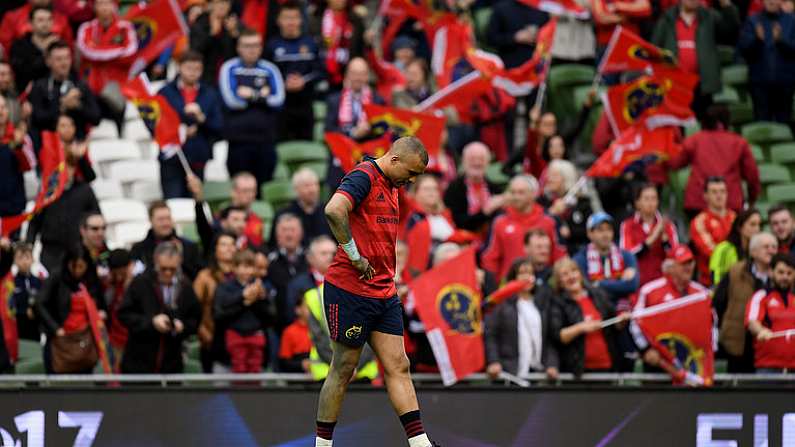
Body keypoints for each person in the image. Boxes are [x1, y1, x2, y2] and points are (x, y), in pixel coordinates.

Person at [316, 136, 438, 447]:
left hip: (383, 290)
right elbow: (334, 210)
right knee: (343, 369)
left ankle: (420, 443)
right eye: (410, 173)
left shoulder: (394, 185)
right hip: (350, 289)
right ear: (394, 160)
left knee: (399, 364)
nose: (411, 181)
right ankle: (322, 445)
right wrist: (354, 255)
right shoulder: (363, 176)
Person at [118, 242, 200, 374]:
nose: (168, 273)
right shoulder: (141, 283)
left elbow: (195, 318)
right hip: (139, 362)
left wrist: (182, 326)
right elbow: (124, 314)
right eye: (163, 268)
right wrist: (151, 322)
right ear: (156, 262)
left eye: (173, 269)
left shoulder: (185, 286)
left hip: (172, 363)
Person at [219, 28, 285, 189]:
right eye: (247, 46)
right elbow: (232, 101)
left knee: (264, 188)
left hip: (266, 140)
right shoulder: (229, 68)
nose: (251, 50)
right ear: (238, 48)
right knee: (241, 188)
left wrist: (251, 95)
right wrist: (262, 97)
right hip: (239, 141)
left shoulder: (270, 69)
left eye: (255, 45)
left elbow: (278, 100)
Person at [652, 0, 741, 117]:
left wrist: (726, 5)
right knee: (677, 125)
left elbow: (732, 31)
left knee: (702, 123)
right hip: (674, 85)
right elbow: (653, 49)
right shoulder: (667, 18)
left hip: (702, 85)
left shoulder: (710, 16)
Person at [669, 104, 760, 216]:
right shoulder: (739, 142)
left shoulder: (694, 140)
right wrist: (752, 198)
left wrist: (671, 137)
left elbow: (674, 163)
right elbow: (752, 175)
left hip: (698, 202)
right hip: (731, 202)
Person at [630, 245, 711, 371]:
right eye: (683, 263)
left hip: (692, 360)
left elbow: (712, 323)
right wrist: (645, 349)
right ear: (670, 267)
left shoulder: (702, 294)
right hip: (659, 361)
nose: (688, 267)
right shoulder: (650, 291)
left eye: (690, 262)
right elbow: (636, 322)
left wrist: (710, 348)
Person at [26, 142, 100, 273]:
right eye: (62, 168)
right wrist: (29, 246)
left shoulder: (85, 190)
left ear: (74, 168)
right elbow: (34, 222)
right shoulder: (47, 191)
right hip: (50, 252)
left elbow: (96, 217)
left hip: (78, 252)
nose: (66, 172)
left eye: (69, 167)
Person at [158, 50, 224, 198]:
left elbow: (219, 126)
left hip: (198, 156)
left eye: (197, 69)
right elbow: (155, 123)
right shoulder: (165, 92)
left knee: (196, 202)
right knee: (173, 201)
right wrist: (181, 131)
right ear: (179, 67)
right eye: (189, 68)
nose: (193, 73)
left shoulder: (209, 93)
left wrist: (202, 118)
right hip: (172, 156)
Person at [549, 257, 628, 376]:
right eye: (565, 274)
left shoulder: (598, 295)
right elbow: (558, 336)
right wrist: (581, 327)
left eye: (573, 271)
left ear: (580, 274)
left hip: (608, 367)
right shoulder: (557, 303)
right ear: (559, 282)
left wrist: (621, 320)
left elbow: (614, 325)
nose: (571, 277)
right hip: (578, 372)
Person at [713, 232, 778, 372]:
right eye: (766, 247)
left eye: (774, 247)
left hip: (768, 345)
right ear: (753, 251)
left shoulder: (782, 276)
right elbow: (718, 302)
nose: (771, 250)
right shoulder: (736, 271)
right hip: (738, 343)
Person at [36, 245, 106, 374]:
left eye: (81, 266)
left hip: (84, 340)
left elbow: (100, 302)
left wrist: (99, 312)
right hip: (61, 340)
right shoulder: (57, 277)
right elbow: (40, 303)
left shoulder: (90, 279)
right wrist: (55, 328)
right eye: (74, 266)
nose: (78, 271)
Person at [485, 258, 559, 380]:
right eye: (522, 273)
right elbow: (491, 335)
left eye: (530, 273)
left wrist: (552, 364)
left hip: (539, 372)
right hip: (508, 372)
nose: (527, 277)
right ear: (513, 278)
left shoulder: (543, 304)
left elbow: (550, 338)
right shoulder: (502, 305)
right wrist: (494, 361)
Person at [482, 175, 562, 281]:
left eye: (521, 193)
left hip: (543, 284)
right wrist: (492, 288)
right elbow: (490, 258)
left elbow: (558, 254)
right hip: (510, 285)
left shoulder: (548, 221)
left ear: (533, 194)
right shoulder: (500, 222)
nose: (515, 197)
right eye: (513, 192)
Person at [265, 0, 323, 141]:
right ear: (278, 20)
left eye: (294, 18)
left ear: (300, 20)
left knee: (305, 148)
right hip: (281, 107)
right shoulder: (271, 45)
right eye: (286, 18)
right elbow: (266, 74)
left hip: (305, 105)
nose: (290, 22)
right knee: (281, 147)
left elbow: (320, 72)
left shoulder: (311, 43)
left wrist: (303, 81)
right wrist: (282, 83)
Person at [75, 0, 138, 129]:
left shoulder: (126, 27)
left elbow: (130, 53)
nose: (104, 7)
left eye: (108, 3)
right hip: (92, 87)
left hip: (119, 88)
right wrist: (117, 50)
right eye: (100, 3)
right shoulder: (85, 28)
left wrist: (99, 50)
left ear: (115, 6)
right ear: (94, 6)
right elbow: (87, 52)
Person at [28, 40, 101, 141]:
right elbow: (37, 119)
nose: (64, 63)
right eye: (59, 59)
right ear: (48, 61)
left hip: (78, 142)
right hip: (48, 142)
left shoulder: (80, 85)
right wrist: (62, 106)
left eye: (67, 58)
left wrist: (78, 106)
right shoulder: (39, 86)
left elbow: (96, 118)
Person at [214, 249, 273, 373]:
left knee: (255, 367)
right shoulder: (226, 287)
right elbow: (223, 307)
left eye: (251, 267)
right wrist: (243, 296)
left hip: (255, 334)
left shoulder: (260, 286)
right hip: (235, 334)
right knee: (238, 367)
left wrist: (261, 297)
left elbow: (270, 313)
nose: (248, 271)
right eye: (244, 267)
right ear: (234, 268)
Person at [738, 0, 795, 122]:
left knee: (783, 126)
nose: (771, 1)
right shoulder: (752, 21)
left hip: (785, 85)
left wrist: (781, 41)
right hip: (759, 86)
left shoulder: (792, 21)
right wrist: (757, 41)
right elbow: (744, 51)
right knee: (761, 124)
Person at [573, 212, 640, 306]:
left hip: (626, 310)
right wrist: (620, 284)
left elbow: (632, 285)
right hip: (597, 311)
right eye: (600, 230)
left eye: (609, 229)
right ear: (589, 233)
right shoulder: (580, 259)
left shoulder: (626, 256)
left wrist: (599, 284)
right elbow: (587, 289)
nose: (605, 234)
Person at [619, 183, 679, 286]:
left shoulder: (668, 226)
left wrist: (665, 241)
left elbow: (676, 257)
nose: (651, 203)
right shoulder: (628, 225)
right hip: (638, 283)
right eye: (646, 199)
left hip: (663, 283)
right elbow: (627, 256)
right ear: (637, 203)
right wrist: (653, 237)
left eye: (654, 198)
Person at [193, 232, 236, 372]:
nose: (229, 248)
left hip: (238, 339)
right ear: (215, 249)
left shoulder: (244, 274)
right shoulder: (204, 277)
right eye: (224, 244)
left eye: (232, 244)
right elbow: (193, 310)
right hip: (212, 341)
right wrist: (204, 334)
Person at [745, 253, 795, 372]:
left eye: (789, 273)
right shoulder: (761, 296)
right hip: (768, 368)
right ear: (771, 272)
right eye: (781, 272)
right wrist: (761, 330)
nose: (785, 277)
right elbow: (752, 322)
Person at [129, 201, 203, 281]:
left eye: (168, 218)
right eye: (161, 219)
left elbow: (197, 277)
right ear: (151, 220)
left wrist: (181, 258)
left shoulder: (189, 246)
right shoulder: (139, 249)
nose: (165, 223)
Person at [442, 142, 504, 236]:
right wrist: (485, 212)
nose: (477, 162)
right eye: (472, 159)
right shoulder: (454, 189)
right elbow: (457, 223)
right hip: (462, 240)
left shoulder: (495, 189)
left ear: (488, 163)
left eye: (481, 159)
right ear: (463, 161)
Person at [537, 159, 598, 254]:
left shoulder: (582, 202)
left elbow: (591, 230)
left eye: (554, 176)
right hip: (548, 252)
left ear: (566, 178)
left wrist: (570, 231)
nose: (549, 179)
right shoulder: (542, 201)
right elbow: (536, 227)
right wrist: (551, 213)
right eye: (549, 175)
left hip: (576, 252)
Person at [403, 175, 456, 277]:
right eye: (426, 189)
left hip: (441, 271)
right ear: (415, 192)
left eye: (435, 189)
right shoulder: (408, 212)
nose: (431, 192)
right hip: (414, 272)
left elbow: (454, 236)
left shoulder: (444, 216)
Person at [690, 177, 737, 285]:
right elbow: (711, 251)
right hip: (710, 281)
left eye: (722, 191)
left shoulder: (735, 218)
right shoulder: (699, 221)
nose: (719, 196)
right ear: (705, 196)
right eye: (714, 192)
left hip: (735, 278)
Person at [324, 57, 383, 139]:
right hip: (342, 148)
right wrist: (352, 133)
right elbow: (329, 130)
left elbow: (382, 132)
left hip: (369, 148)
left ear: (367, 76)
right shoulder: (334, 100)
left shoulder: (377, 101)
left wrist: (368, 130)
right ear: (347, 75)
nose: (358, 78)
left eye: (362, 74)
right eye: (354, 73)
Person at [267, 213, 308, 333]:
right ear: (277, 234)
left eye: (293, 230)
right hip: (279, 326)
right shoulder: (268, 260)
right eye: (284, 230)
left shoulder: (311, 258)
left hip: (309, 325)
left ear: (301, 233)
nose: (289, 234)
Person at [271, 168, 333, 246]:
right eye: (307, 186)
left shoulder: (328, 211)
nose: (312, 190)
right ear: (296, 189)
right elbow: (274, 244)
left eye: (315, 184)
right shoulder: (284, 214)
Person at [285, 235, 337, 329]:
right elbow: (291, 316)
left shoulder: (346, 282)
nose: (330, 257)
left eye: (333, 253)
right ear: (310, 258)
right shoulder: (298, 285)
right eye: (324, 253)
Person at [0, 95, 35, 221]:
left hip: (14, 205)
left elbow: (29, 166)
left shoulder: (20, 136)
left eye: (3, 107)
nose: (1, 111)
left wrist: (19, 146)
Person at [486, 0, 550, 69]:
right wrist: (514, 37)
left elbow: (550, 35)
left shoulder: (542, 9)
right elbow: (491, 39)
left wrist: (539, 36)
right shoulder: (501, 8)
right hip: (511, 63)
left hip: (538, 63)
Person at [190, 0, 241, 83]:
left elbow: (239, 55)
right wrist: (212, 34)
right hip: (205, 75)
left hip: (228, 75)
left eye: (225, 2)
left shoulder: (234, 23)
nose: (222, 6)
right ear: (211, 4)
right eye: (219, 2)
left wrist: (234, 35)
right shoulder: (201, 22)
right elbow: (196, 50)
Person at [9, 5, 56, 92]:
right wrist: (44, 52)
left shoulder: (58, 44)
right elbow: (23, 73)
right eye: (40, 20)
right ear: (30, 23)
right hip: (26, 94)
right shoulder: (19, 46)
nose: (45, 24)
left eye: (49, 19)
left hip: (55, 94)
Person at [710, 208, 762, 285]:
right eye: (752, 224)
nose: (757, 229)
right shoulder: (724, 249)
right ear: (740, 227)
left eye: (759, 225)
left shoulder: (759, 250)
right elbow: (716, 278)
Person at [0, 0, 73, 52]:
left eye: (49, 19)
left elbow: (69, 47)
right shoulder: (12, 17)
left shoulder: (62, 19)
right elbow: (5, 47)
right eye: (40, 20)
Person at [104, 248, 132, 373]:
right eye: (116, 273)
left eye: (123, 273)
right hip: (114, 340)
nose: (120, 277)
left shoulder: (137, 285)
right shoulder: (109, 286)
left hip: (132, 340)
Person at [9, 242, 42, 342]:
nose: (24, 261)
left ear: (32, 259)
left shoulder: (39, 281)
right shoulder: (11, 282)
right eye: (20, 258)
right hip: (17, 323)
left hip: (34, 326)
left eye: (27, 257)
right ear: (14, 260)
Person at [279, 294, 313, 373]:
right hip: (298, 380)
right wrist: (301, 365)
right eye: (307, 306)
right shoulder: (289, 331)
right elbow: (284, 362)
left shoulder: (322, 330)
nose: (311, 309)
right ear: (298, 309)